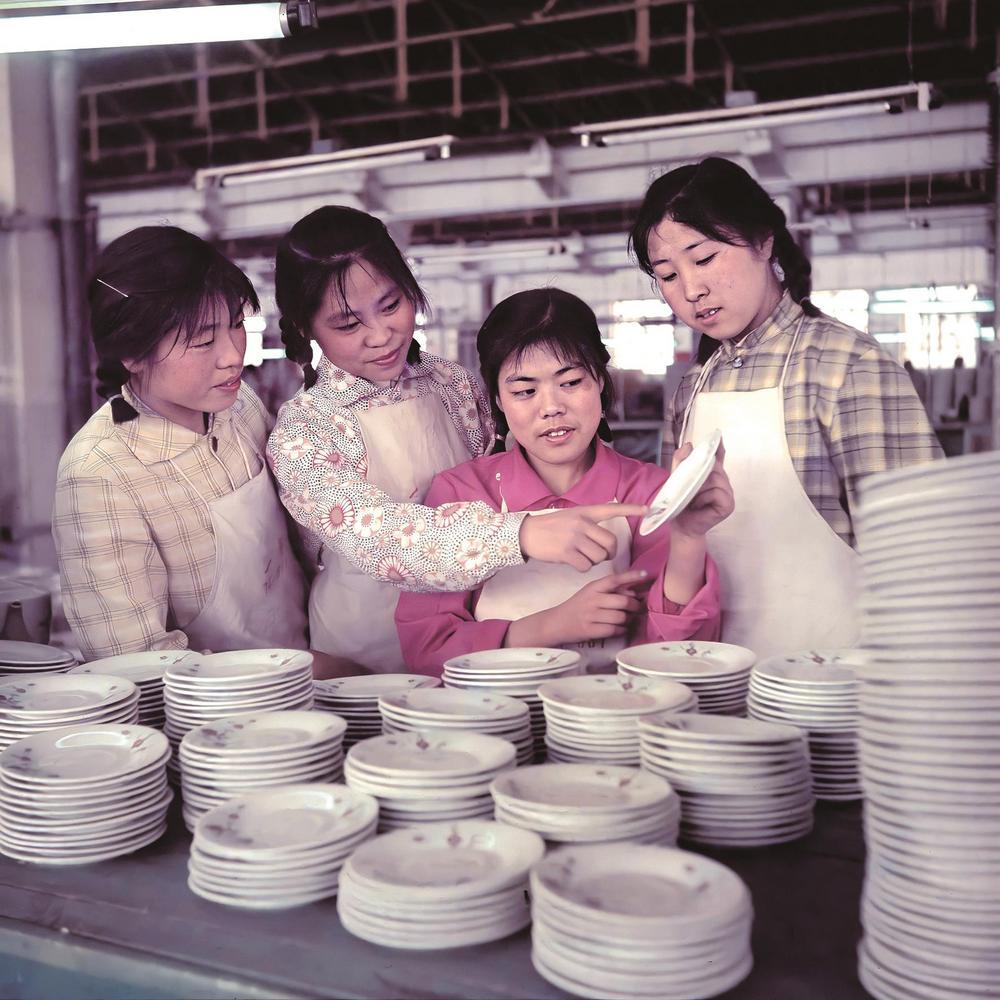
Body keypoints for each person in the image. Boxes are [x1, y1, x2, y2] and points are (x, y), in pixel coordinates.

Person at [267, 208, 645, 677]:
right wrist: (521, 533)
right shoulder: (307, 431)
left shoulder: (452, 384)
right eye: (348, 325)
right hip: (362, 653)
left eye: (391, 305)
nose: (381, 334)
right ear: (306, 329)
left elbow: (499, 480)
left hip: (473, 638)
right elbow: (382, 541)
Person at [628, 156, 943, 657]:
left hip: (835, 679)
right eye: (667, 274)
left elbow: (923, 558)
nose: (691, 290)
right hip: (716, 678)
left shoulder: (846, 364)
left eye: (705, 259)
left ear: (762, 240)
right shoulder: (692, 389)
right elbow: (683, 547)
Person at [395, 288, 731, 675]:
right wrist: (549, 626)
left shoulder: (649, 492)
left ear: (601, 381)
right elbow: (427, 648)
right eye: (524, 391)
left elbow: (680, 657)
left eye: (570, 382)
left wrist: (688, 539)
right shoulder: (460, 493)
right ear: (498, 400)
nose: (551, 407)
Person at [53, 226, 309, 660]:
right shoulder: (100, 474)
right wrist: (306, 670)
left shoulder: (240, 405)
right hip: (216, 714)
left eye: (236, 325)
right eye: (203, 340)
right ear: (131, 353)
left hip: (311, 670)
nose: (232, 355)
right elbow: (139, 663)